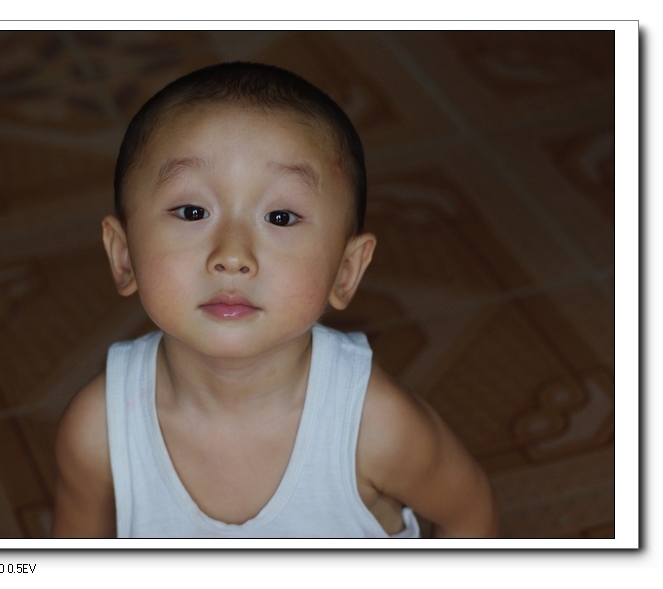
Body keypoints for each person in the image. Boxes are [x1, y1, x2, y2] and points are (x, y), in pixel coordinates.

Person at [52, 62, 499, 539]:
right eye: (193, 211)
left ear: (346, 271)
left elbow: (468, 515)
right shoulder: (99, 431)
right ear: (123, 256)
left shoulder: (374, 427)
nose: (232, 256)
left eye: (281, 217)